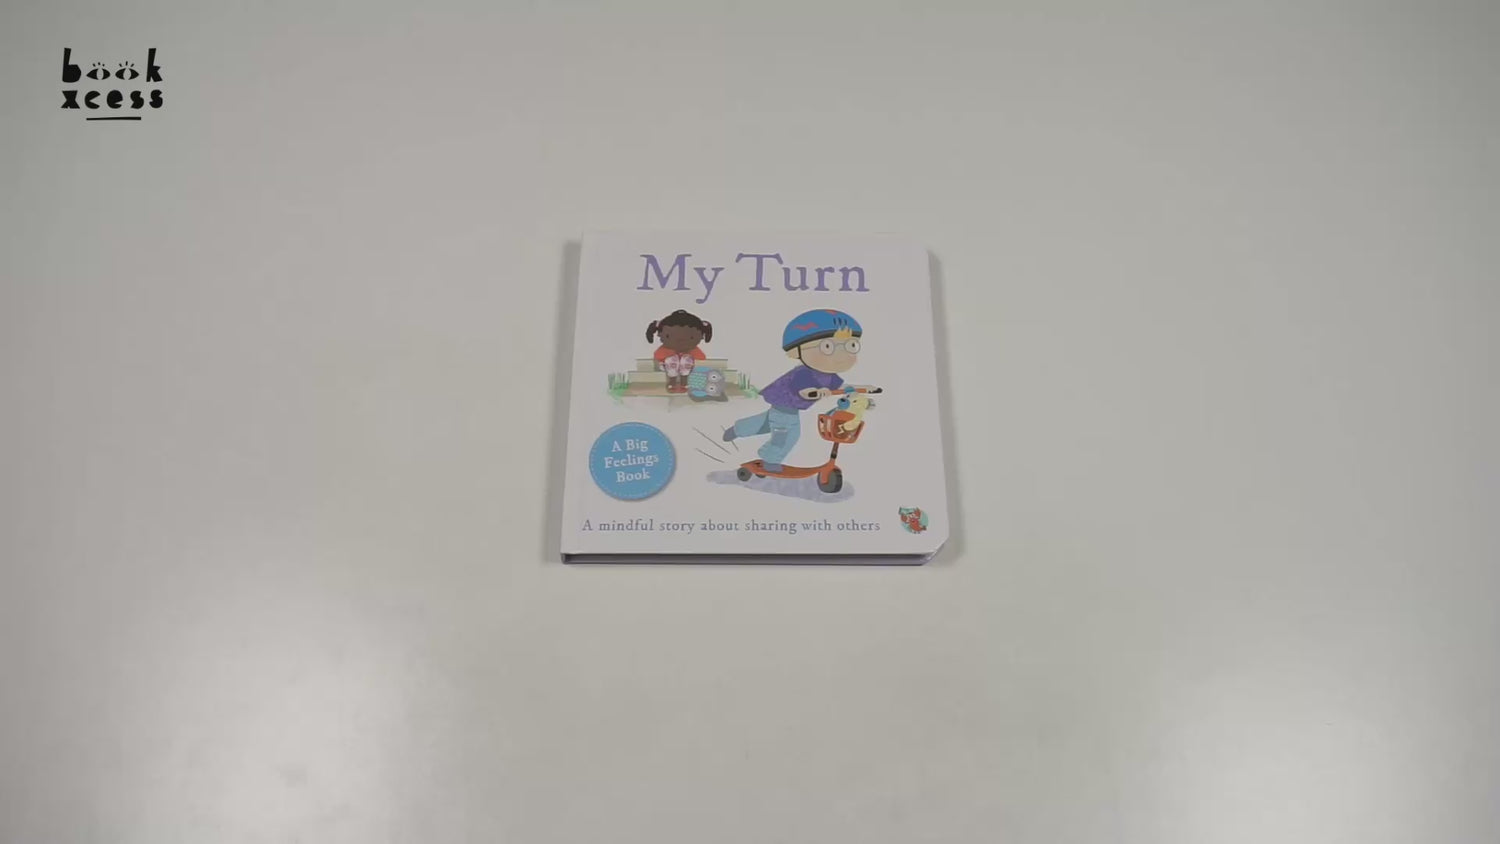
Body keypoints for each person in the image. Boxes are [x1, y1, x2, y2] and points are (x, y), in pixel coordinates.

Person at [724, 309, 869, 471]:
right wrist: (817, 391)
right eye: (827, 346)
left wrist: (855, 390)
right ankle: (770, 460)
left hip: (783, 410)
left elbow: (840, 387)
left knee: (764, 423)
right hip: (787, 409)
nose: (841, 356)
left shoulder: (829, 375)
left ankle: (738, 429)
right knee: (787, 435)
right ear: (796, 351)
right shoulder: (803, 373)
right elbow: (804, 391)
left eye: (850, 346)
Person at [646, 310, 712, 393]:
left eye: (691, 337)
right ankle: (672, 381)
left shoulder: (692, 350)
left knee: (686, 359)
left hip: (685, 366)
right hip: (669, 366)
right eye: (668, 336)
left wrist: (687, 354)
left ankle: (684, 381)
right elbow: (658, 356)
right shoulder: (665, 349)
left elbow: (701, 357)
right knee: (671, 359)